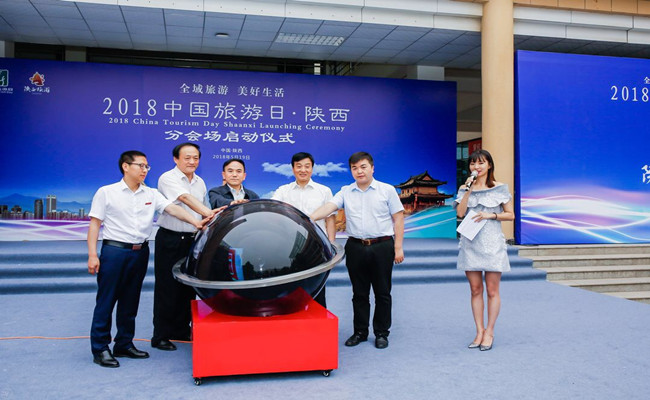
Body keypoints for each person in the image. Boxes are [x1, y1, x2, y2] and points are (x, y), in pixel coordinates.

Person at [87, 150, 210, 368]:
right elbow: (95, 224)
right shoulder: (107, 192)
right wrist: (92, 254)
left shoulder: (151, 194)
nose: (144, 170)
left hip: (140, 251)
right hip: (114, 251)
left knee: (130, 300)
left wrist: (196, 222)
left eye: (146, 166)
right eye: (140, 166)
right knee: (107, 300)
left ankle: (124, 343)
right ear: (126, 166)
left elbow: (172, 209)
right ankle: (100, 348)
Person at [311, 151, 404, 350]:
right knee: (359, 293)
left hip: (382, 246)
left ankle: (381, 333)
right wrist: (309, 217)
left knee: (382, 292)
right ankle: (360, 332)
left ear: (372, 168)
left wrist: (398, 247)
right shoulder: (346, 191)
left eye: (363, 167)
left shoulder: (387, 190)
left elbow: (398, 218)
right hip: (355, 247)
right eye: (354, 168)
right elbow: (329, 207)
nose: (359, 171)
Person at [152, 143, 222, 351]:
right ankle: (161, 335)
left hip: (192, 239)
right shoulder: (168, 178)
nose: (192, 162)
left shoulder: (200, 182)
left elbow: (204, 209)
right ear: (176, 159)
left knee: (187, 287)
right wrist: (207, 213)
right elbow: (184, 198)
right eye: (187, 158)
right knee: (167, 287)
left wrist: (215, 214)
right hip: (171, 239)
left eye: (196, 158)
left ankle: (181, 330)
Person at [454, 149, 514, 351]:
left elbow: (511, 215)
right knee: (475, 289)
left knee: (492, 290)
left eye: (480, 163)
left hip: (492, 243)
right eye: (473, 163)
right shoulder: (465, 187)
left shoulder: (499, 188)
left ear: (489, 165)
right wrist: (468, 190)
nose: (476, 167)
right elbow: (460, 213)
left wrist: (491, 215)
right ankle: (479, 330)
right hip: (470, 243)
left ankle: (490, 331)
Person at [271, 152, 336, 307]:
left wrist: (331, 243)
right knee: (290, 287)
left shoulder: (324, 191)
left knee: (318, 288)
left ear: (312, 168)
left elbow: (330, 219)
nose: (303, 170)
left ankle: (319, 319)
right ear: (293, 169)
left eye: (307, 166)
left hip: (317, 246)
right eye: (299, 166)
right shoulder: (283, 191)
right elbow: (272, 208)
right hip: (289, 246)